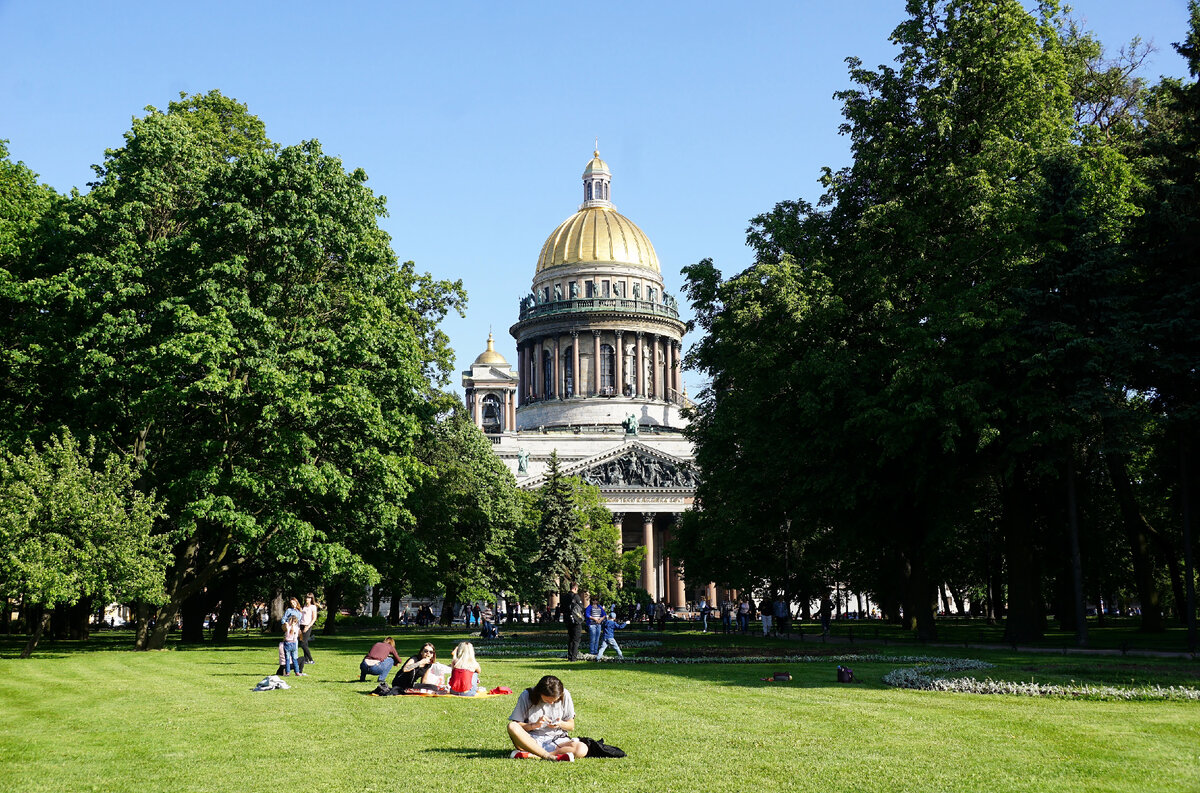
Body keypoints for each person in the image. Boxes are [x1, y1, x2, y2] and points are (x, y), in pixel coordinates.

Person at [507, 675, 588, 761]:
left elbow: (571, 726)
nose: (551, 703)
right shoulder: (527, 695)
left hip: (557, 740)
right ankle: (548, 756)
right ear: (539, 693)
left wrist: (560, 724)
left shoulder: (565, 694)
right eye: (547, 701)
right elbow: (517, 725)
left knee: (582, 749)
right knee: (512, 726)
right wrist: (534, 725)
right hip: (532, 740)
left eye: (555, 701)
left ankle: (536, 755)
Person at [565, 583, 584, 661]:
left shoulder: (564, 597)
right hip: (576, 620)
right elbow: (581, 607)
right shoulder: (576, 596)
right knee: (576, 639)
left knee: (570, 638)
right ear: (575, 588)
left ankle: (570, 656)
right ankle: (574, 657)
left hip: (567, 620)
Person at [299, 593, 318, 664]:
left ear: (311, 599)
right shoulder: (304, 606)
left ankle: (311, 659)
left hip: (307, 625)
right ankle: (306, 659)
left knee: (303, 644)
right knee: (305, 643)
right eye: (307, 597)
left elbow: (314, 618)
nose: (307, 599)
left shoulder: (313, 607)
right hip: (301, 625)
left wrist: (308, 626)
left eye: (309, 598)